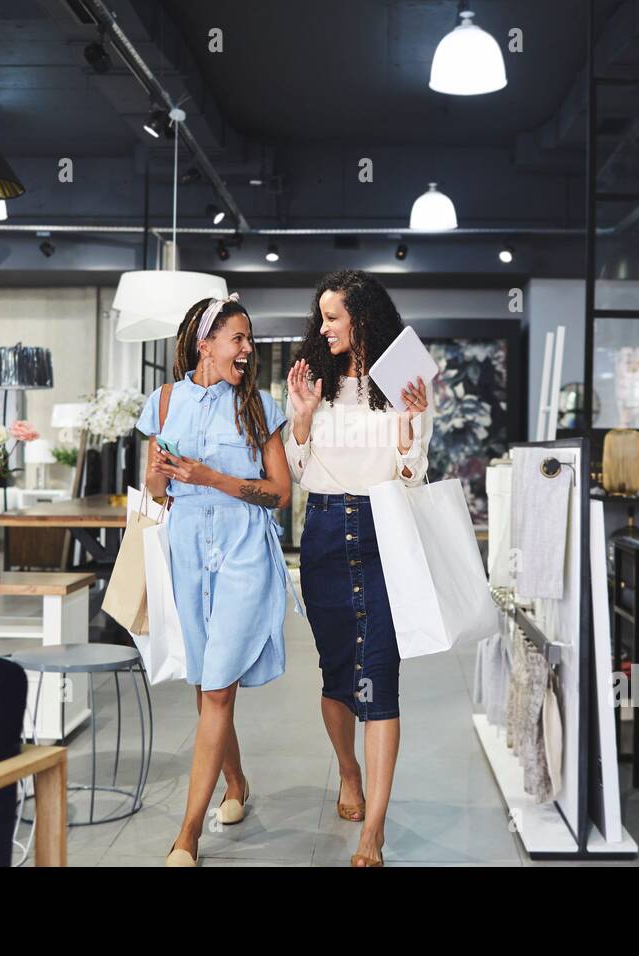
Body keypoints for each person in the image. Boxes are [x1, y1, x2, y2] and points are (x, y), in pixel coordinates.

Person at [138, 293, 293, 868]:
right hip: (184, 548)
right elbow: (156, 491)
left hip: (244, 548)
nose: (248, 351)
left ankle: (187, 836)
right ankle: (238, 784)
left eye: (249, 340)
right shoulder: (164, 402)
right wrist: (162, 478)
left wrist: (213, 477)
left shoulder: (260, 408)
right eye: (239, 339)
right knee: (207, 685)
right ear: (205, 344)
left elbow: (278, 494)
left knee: (219, 686)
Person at [285, 269, 432, 867]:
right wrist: (301, 416)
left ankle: (374, 830)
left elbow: (413, 475)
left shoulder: (406, 375)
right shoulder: (312, 376)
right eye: (321, 317)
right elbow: (297, 469)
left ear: (362, 318)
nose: (322, 328)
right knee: (338, 672)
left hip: (382, 531)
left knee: (381, 674)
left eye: (332, 318)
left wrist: (405, 429)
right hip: (321, 529)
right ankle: (349, 773)